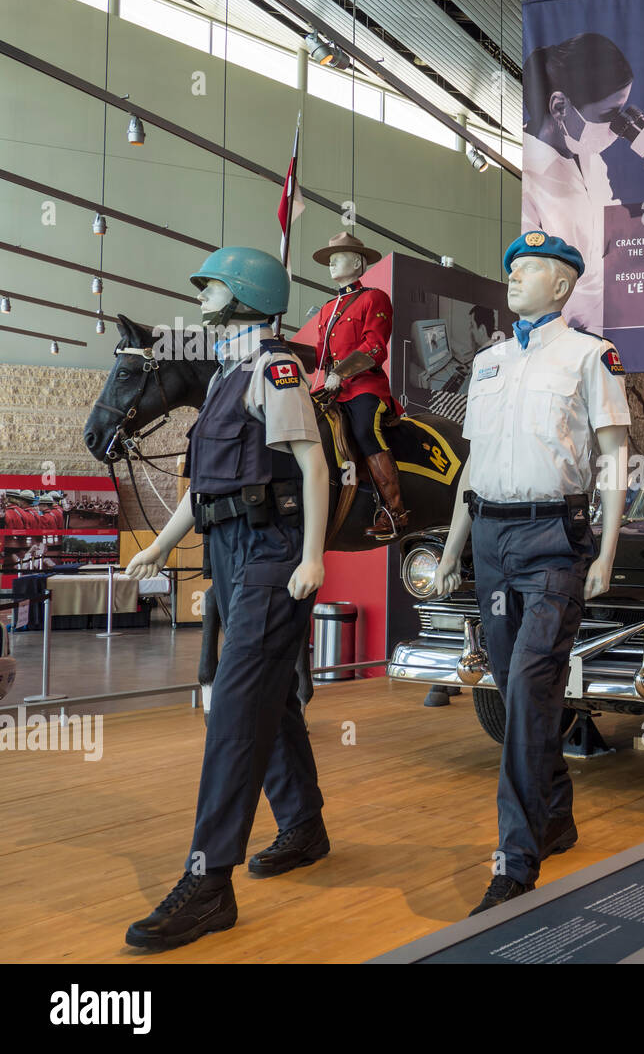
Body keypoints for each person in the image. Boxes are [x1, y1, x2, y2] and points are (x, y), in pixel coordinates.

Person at [122, 246, 329, 952]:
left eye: (211, 283)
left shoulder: (275, 367)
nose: (202, 292)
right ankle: (303, 822)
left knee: (234, 710)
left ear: (243, 293)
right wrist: (156, 545)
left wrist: (311, 557)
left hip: (273, 553)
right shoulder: (222, 376)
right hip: (230, 549)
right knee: (267, 696)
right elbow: (203, 491)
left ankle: (208, 882)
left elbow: (312, 462)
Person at [429, 231, 630, 916]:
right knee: (517, 693)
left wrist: (604, 551)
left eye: (531, 268)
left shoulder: (588, 356)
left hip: (554, 538)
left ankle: (515, 861)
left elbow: (614, 455)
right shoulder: (486, 363)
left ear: (564, 285)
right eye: (511, 266)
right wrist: (455, 550)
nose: (514, 276)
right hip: (489, 535)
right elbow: (472, 466)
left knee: (528, 681)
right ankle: (557, 814)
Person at [521, 33, 635, 334]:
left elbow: (613, 234)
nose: (616, 128)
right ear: (559, 106)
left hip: (607, 330)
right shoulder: (528, 179)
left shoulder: (591, 158)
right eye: (609, 115)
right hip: (563, 341)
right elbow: (537, 286)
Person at [312, 231, 408, 540]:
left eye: (337, 258)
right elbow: (320, 357)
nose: (331, 264)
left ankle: (395, 511)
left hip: (365, 387)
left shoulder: (373, 298)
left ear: (357, 262)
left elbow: (376, 347)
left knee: (366, 429)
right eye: (330, 260)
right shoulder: (327, 309)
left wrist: (342, 371)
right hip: (331, 389)